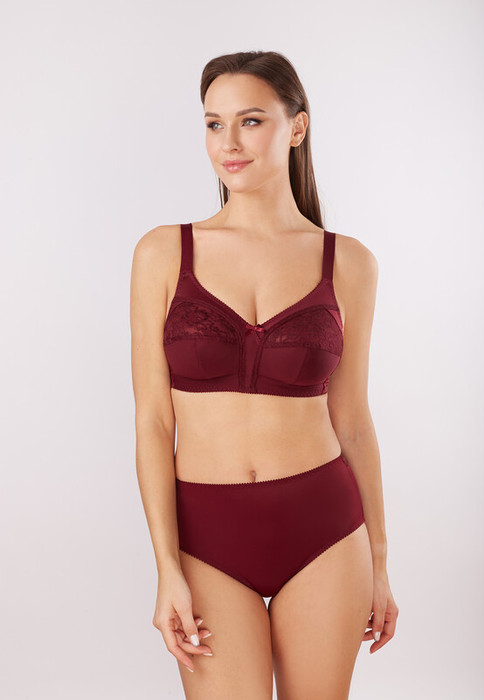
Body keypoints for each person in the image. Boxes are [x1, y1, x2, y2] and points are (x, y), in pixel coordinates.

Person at [130, 50, 399, 700]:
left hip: (325, 534)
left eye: (250, 121)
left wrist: (380, 565)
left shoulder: (348, 263)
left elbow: (353, 423)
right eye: (213, 124)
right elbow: (153, 421)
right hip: (206, 539)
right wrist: (165, 567)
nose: (228, 142)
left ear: (296, 127)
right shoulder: (164, 252)